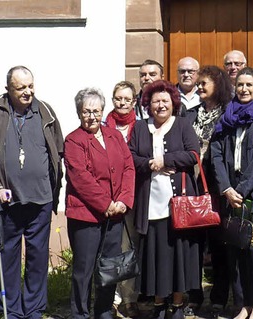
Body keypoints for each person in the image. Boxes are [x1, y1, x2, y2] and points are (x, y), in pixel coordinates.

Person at [0, 65, 64, 319]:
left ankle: (35, 310)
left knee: (38, 258)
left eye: (31, 86)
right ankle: (11, 311)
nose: (28, 92)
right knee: (8, 257)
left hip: (40, 199)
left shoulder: (45, 110)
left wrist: (55, 186)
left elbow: (58, 150)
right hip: (8, 201)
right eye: (21, 88)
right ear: (8, 88)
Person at [129, 80, 201, 319]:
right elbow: (130, 156)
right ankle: (159, 302)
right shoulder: (140, 127)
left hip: (178, 204)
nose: (161, 105)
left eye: (165, 101)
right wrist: (150, 164)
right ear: (148, 105)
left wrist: (166, 160)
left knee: (178, 254)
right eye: (156, 101)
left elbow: (193, 154)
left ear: (173, 103)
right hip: (150, 203)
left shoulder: (182, 125)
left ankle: (178, 303)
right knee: (156, 254)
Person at [211, 67, 253, 319]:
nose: (244, 89)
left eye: (249, 85)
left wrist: (240, 191)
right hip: (230, 194)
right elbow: (216, 153)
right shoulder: (226, 118)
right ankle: (241, 306)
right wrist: (226, 189)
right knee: (235, 253)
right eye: (240, 85)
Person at [65, 87, 136, 319]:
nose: (92, 116)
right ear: (79, 113)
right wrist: (106, 203)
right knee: (83, 271)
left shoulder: (114, 136)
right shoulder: (74, 141)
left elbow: (128, 167)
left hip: (115, 215)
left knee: (109, 268)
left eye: (96, 111)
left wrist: (124, 200)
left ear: (103, 111)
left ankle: (104, 312)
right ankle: (80, 314)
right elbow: (80, 177)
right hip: (87, 216)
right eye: (86, 111)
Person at [186, 65, 242, 318]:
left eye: (203, 84)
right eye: (198, 84)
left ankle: (219, 296)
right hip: (191, 187)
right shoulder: (189, 115)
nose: (198, 87)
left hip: (218, 187)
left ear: (217, 85)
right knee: (193, 244)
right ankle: (194, 295)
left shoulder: (228, 114)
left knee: (219, 244)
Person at [104, 81, 141, 317]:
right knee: (110, 248)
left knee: (129, 247)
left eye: (127, 99)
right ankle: (110, 298)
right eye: (118, 98)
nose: (123, 103)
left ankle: (129, 298)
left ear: (134, 101)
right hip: (106, 198)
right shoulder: (102, 125)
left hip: (132, 196)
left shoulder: (140, 127)